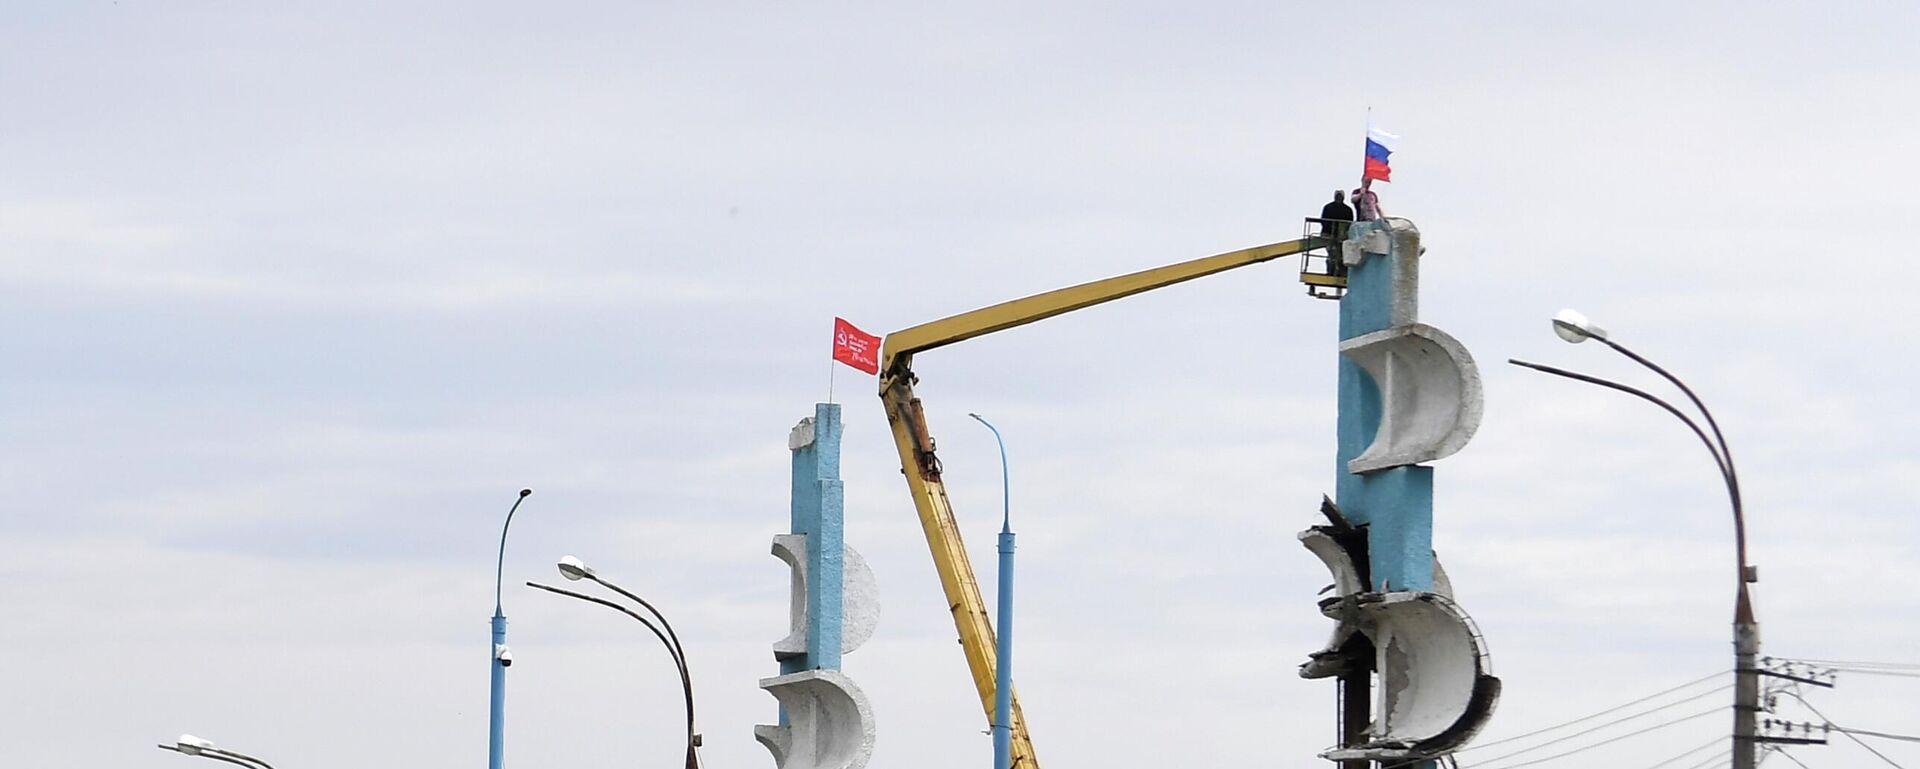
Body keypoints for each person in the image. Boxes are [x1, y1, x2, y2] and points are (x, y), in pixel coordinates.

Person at [1319, 190, 1354, 275]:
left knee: (1339, 255)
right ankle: (1332, 271)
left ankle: (1338, 272)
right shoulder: (1329, 207)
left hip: (1340, 236)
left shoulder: (1347, 209)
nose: (1339, 197)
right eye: (1338, 196)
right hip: (1329, 235)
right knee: (1333, 254)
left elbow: (1350, 224)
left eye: (1340, 196)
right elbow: (1324, 221)